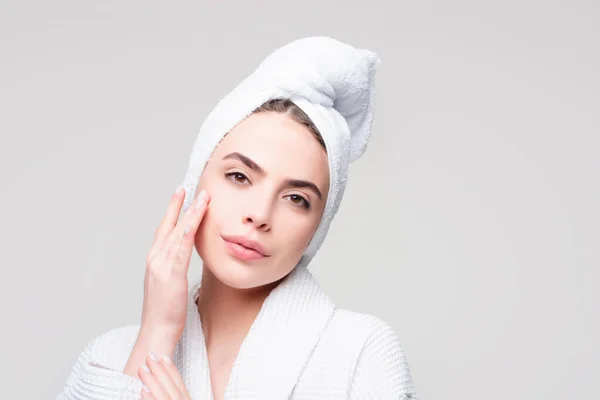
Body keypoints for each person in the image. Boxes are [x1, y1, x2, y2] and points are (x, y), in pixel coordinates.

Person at [56, 37, 418, 400]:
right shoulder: (109, 357)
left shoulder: (361, 353)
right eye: (239, 177)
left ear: (316, 229)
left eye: (296, 199)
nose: (259, 215)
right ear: (196, 179)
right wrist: (156, 334)